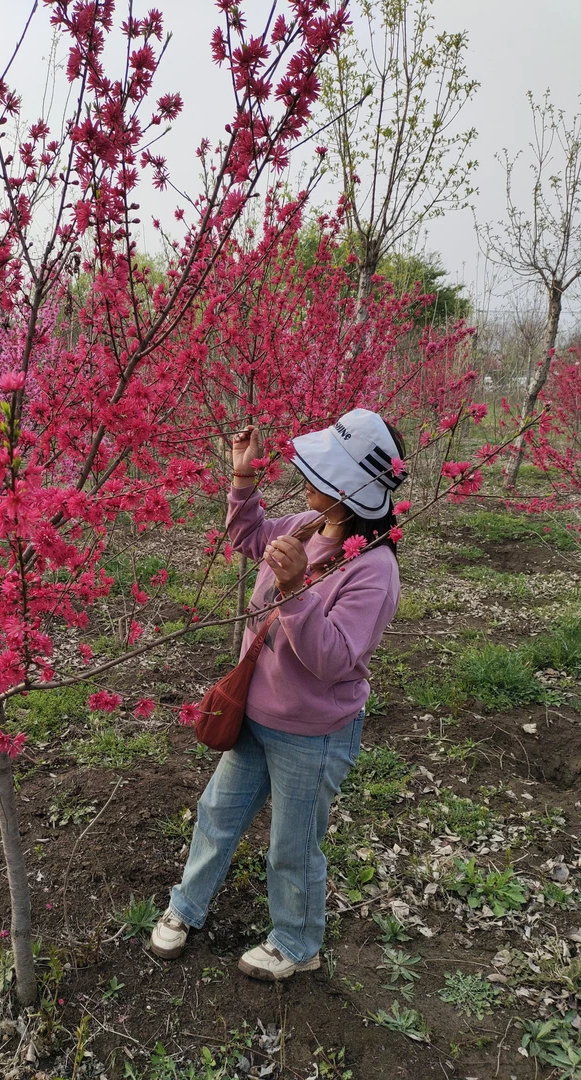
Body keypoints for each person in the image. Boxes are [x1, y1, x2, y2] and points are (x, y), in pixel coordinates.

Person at [150, 408, 407, 981]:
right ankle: (186, 906)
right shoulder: (302, 527)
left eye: (323, 473)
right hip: (256, 715)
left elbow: (334, 661)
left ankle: (296, 943)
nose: (309, 477)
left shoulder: (373, 570)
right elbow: (247, 535)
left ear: (351, 490)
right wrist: (242, 481)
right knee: (217, 815)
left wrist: (294, 590)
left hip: (312, 733)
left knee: (292, 846)